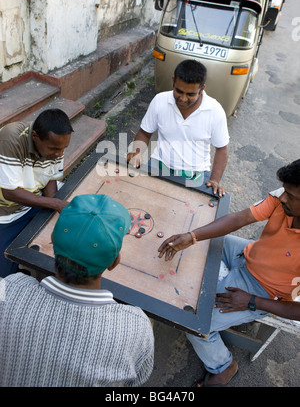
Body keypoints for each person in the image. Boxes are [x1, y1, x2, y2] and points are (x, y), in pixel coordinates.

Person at [157, 159, 300, 387]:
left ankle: (223, 366)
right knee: (199, 240)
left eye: (292, 197)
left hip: (261, 290)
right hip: (247, 252)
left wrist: (252, 301)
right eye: (285, 191)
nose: (283, 198)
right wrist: (191, 236)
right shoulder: (283, 196)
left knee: (194, 323)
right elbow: (239, 218)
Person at [0, 193, 154, 387]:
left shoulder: (10, 288)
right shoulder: (136, 327)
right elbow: (136, 381)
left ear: (52, 242)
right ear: (114, 263)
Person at [127, 60, 229, 196]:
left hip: (196, 174)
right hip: (159, 164)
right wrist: (137, 152)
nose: (183, 98)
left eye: (191, 94)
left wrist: (214, 180)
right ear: (173, 81)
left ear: (202, 89)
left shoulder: (215, 111)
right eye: (179, 91)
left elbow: (222, 149)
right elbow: (144, 133)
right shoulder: (160, 101)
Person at [0, 108, 73, 277]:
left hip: (33, 202)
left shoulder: (56, 143)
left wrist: (54, 206)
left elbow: (50, 178)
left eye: (63, 149)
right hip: (6, 212)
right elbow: (9, 192)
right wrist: (55, 203)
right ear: (35, 137)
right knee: (6, 274)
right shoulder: (10, 139)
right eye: (54, 149)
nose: (60, 154)